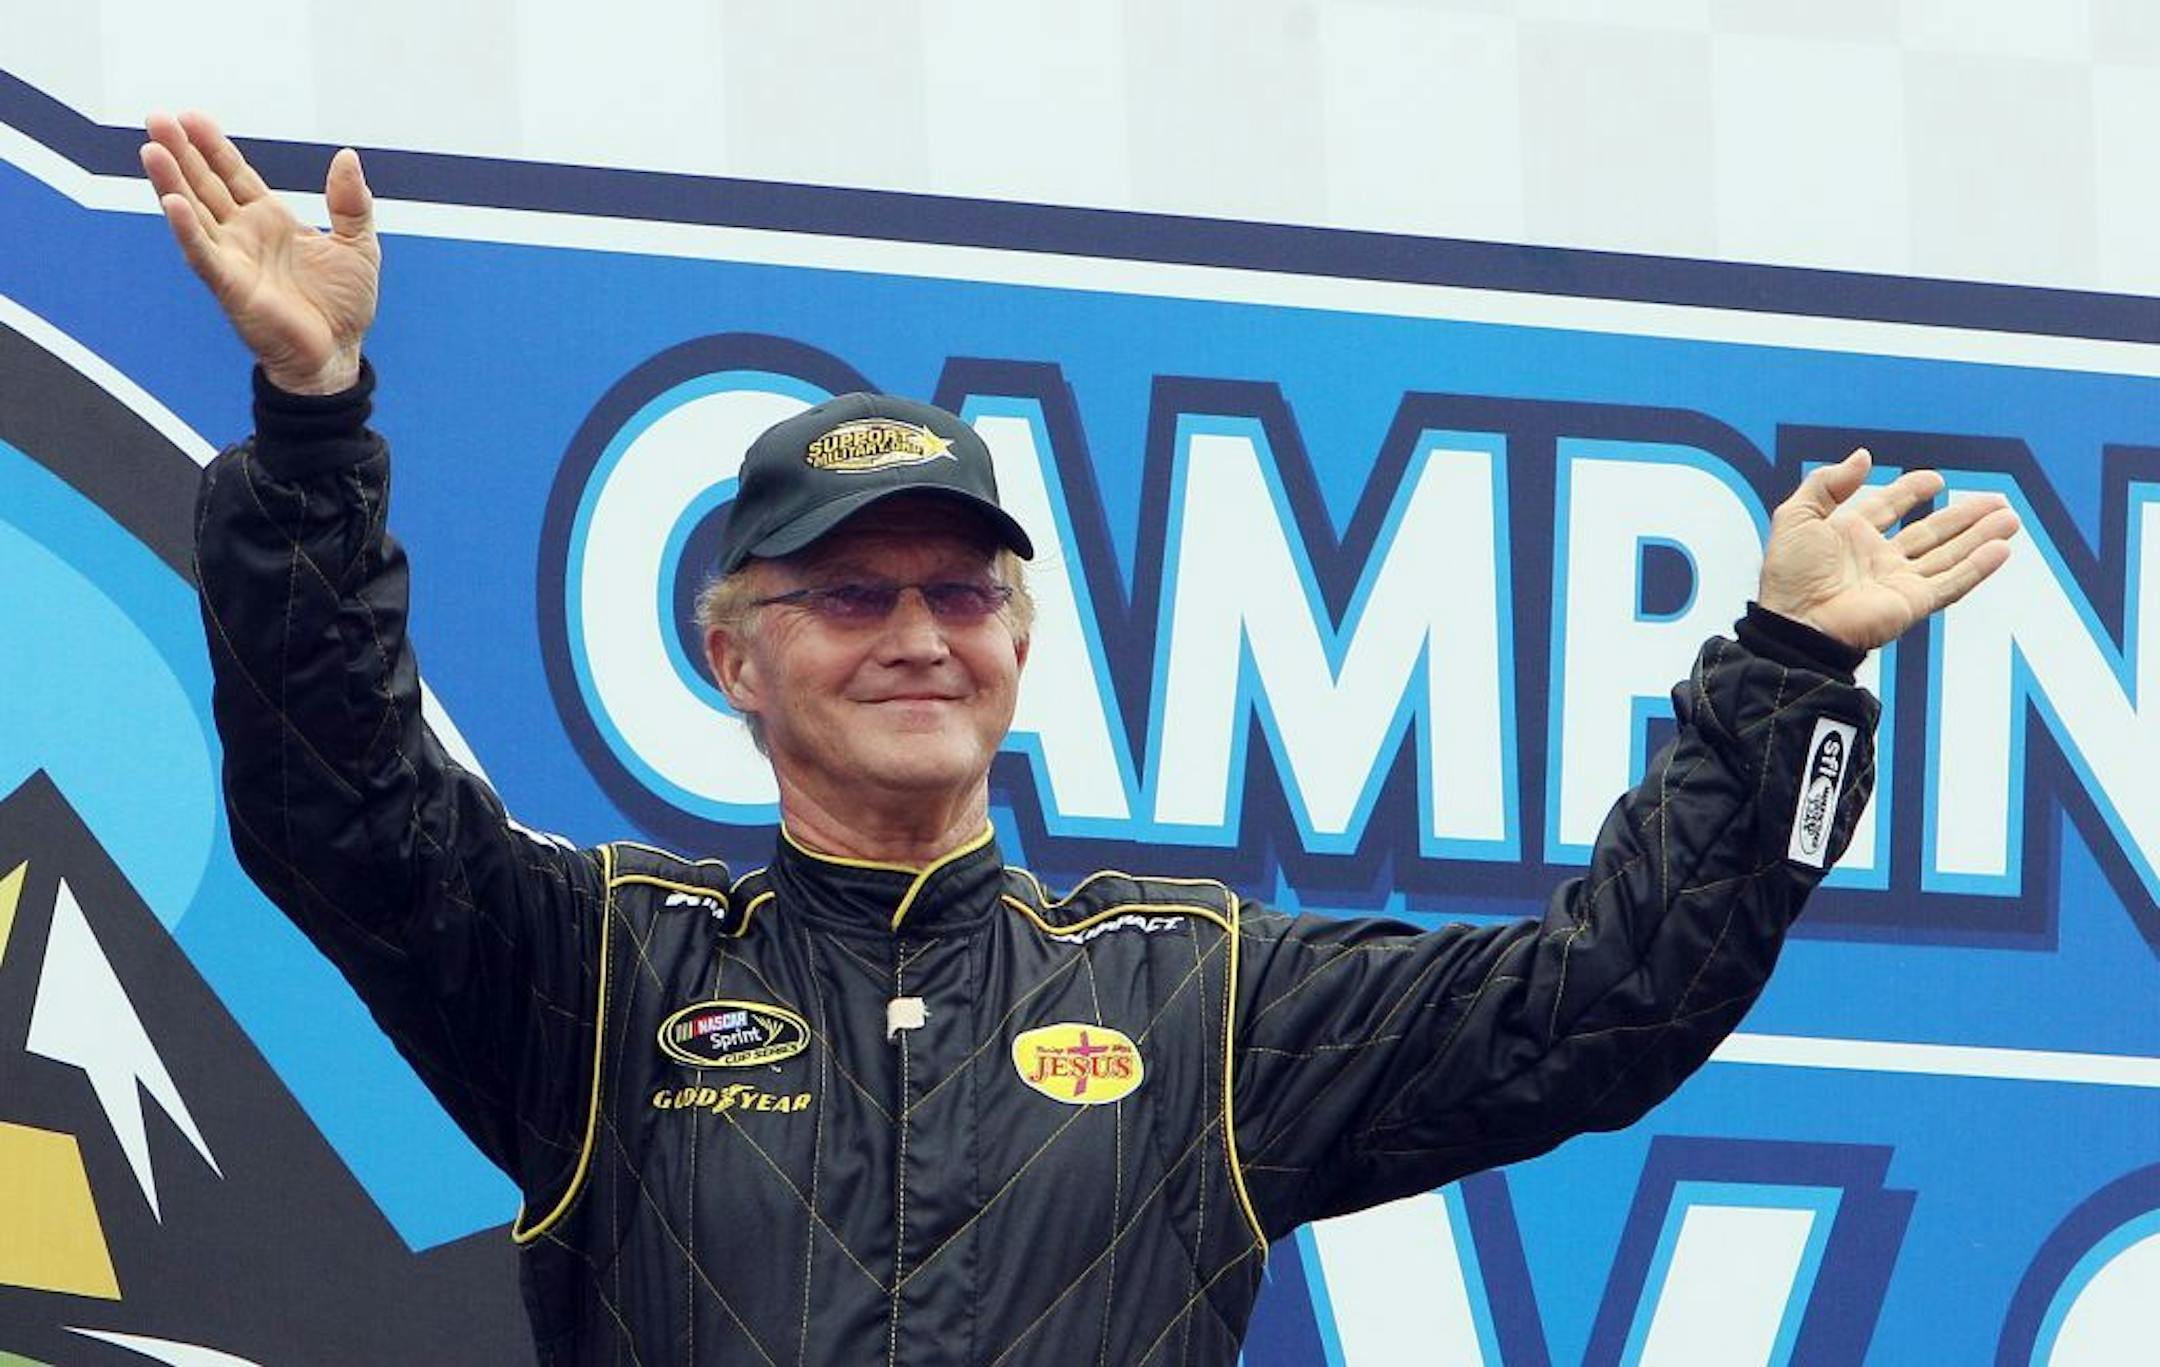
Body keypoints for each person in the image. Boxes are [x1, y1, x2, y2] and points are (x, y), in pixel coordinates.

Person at [143, 109, 2019, 1366]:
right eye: (848, 594)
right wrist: (315, 423)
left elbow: (1603, 1006)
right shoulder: (595, 970)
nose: (914, 634)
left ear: (1021, 647)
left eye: (960, 596)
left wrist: (1783, 673)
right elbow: (343, 806)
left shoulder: (1195, 998)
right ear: (730, 654)